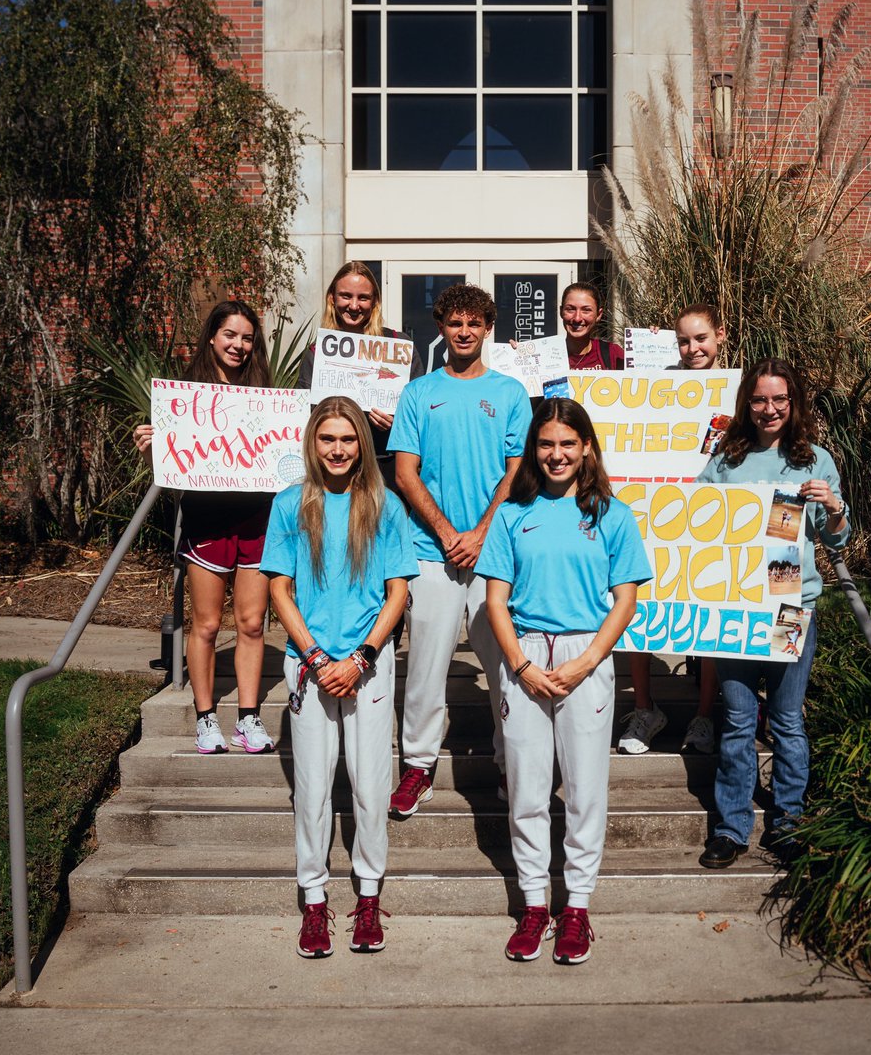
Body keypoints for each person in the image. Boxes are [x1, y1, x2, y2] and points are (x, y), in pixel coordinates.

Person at [477, 399, 651, 963]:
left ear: (587, 449)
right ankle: (533, 906)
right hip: (524, 654)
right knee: (527, 789)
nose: (556, 455)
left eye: (567, 444)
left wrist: (586, 661)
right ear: (534, 449)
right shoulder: (510, 514)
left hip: (586, 655)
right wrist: (521, 667)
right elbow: (496, 601)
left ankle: (575, 908)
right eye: (546, 444)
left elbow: (624, 600)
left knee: (583, 790)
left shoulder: (613, 515)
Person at [261, 396, 418, 956]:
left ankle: (370, 896)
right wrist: (317, 660)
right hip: (311, 666)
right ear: (312, 442)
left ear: (362, 445)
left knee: (372, 785)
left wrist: (360, 659)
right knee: (312, 788)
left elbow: (398, 590)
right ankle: (314, 899)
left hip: (366, 665)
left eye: (348, 439)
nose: (337, 449)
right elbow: (279, 588)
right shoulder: (288, 505)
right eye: (327, 438)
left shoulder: (385, 506)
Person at [696, 358, 850, 869]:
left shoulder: (815, 461)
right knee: (739, 719)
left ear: (794, 402)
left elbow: (835, 539)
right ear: (747, 403)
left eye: (779, 400)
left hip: (788, 603)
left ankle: (788, 823)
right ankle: (731, 827)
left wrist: (832, 507)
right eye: (759, 400)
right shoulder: (727, 458)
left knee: (785, 719)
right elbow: (697, 522)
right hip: (737, 606)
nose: (769, 409)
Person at [387, 284, 532, 816]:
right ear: (441, 327)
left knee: (503, 665)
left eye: (474, 323)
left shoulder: (511, 392)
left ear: (488, 328)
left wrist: (480, 534)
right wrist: (449, 533)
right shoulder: (419, 393)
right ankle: (418, 766)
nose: (464, 332)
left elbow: (517, 472)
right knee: (425, 665)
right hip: (431, 551)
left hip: (493, 554)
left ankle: (507, 761)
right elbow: (405, 472)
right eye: (454, 323)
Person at [134, 300, 276, 756]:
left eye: (247, 337)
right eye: (230, 335)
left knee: (253, 623)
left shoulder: (263, 392)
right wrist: (150, 446)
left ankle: (249, 719)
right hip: (206, 520)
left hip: (257, 519)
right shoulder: (185, 393)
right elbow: (170, 465)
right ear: (213, 336)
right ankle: (206, 718)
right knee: (208, 624)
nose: (238, 344)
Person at [620, 303, 727, 756]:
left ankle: (704, 715)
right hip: (656, 511)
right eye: (683, 341)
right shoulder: (659, 382)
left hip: (714, 515)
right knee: (638, 605)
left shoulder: (738, 390)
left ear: (720, 335)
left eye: (700, 338)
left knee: (712, 612)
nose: (692, 348)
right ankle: (645, 708)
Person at [297, 260, 424, 492]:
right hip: (335, 472)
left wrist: (397, 425)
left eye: (363, 298)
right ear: (332, 299)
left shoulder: (399, 345)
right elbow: (303, 416)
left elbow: (420, 415)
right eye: (346, 296)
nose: (354, 306)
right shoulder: (318, 353)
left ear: (374, 302)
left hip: (386, 468)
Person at [561, 281, 624, 371]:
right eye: (570, 309)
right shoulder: (544, 356)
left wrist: (650, 341)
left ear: (598, 315)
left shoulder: (613, 354)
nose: (577, 318)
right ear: (561, 311)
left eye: (586, 310)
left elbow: (644, 377)